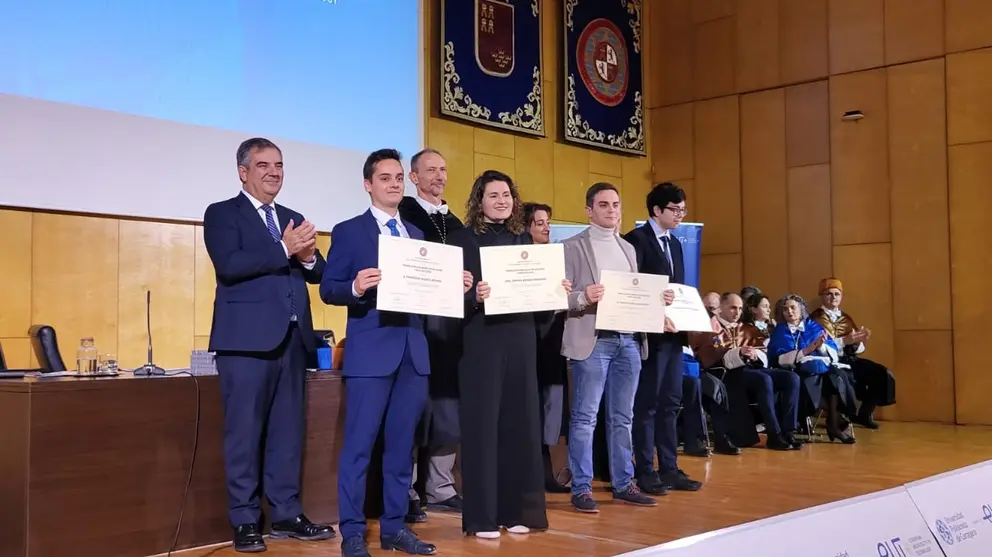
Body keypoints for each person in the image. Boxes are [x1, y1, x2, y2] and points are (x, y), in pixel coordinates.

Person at [321, 149, 468, 557]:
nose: (394, 184)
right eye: (385, 178)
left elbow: (429, 297)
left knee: (403, 448)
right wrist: (356, 286)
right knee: (359, 447)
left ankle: (394, 528)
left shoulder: (417, 236)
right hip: (371, 353)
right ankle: (352, 531)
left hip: (413, 354)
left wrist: (452, 285)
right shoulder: (349, 231)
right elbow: (329, 287)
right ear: (368, 184)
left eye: (399, 177)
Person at [203, 137, 333, 552]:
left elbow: (317, 273)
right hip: (244, 344)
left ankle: (287, 513)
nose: (273, 172)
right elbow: (231, 265)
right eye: (263, 165)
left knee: (287, 433)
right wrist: (284, 248)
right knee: (243, 434)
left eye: (278, 165)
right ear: (243, 172)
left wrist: (310, 257)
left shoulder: (292, 217)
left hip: (292, 341)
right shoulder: (223, 214)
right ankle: (244, 520)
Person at [447, 170, 570, 538]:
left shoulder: (524, 241)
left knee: (520, 426)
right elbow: (448, 301)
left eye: (506, 195)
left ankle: (517, 511)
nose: (501, 201)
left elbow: (540, 308)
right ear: (478, 201)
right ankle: (483, 518)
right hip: (481, 341)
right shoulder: (460, 241)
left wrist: (555, 292)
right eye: (493, 195)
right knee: (483, 427)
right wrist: (474, 297)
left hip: (520, 341)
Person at [561, 183, 656, 513]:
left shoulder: (628, 248)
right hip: (594, 340)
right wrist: (584, 297)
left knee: (622, 418)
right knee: (585, 417)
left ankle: (623, 483)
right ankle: (582, 487)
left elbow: (634, 294)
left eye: (616, 204)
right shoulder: (571, 247)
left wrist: (658, 301)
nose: (611, 210)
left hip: (628, 340)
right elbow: (558, 298)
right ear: (589, 210)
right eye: (603, 204)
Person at [623, 182, 703, 495]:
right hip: (648, 335)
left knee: (671, 402)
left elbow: (678, 290)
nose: (680, 215)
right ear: (657, 210)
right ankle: (645, 469)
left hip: (673, 335)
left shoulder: (677, 244)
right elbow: (633, 287)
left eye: (683, 210)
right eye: (675, 209)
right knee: (647, 405)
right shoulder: (636, 241)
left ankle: (669, 467)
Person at [398, 148, 465, 519]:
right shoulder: (405, 216)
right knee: (412, 407)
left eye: (443, 169)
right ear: (414, 177)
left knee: (447, 406)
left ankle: (440, 487)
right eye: (430, 170)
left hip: (451, 328)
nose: (439, 176)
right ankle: (406, 488)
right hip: (417, 324)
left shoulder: (455, 222)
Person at [767, 294, 859, 444]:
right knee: (814, 381)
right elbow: (777, 358)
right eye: (785, 309)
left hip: (821, 367)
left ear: (801, 309)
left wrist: (821, 346)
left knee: (836, 376)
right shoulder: (780, 331)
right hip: (796, 370)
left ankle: (834, 423)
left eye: (793, 307)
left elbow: (831, 349)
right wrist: (804, 352)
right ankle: (836, 422)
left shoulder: (813, 326)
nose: (789, 312)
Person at [523, 201, 570, 493]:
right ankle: (530, 477)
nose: (546, 228)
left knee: (548, 412)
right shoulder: (518, 261)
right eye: (539, 223)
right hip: (528, 343)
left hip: (552, 345)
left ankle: (545, 475)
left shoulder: (558, 259)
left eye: (548, 223)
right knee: (529, 412)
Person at [809, 277, 896, 429]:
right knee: (845, 378)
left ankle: (865, 412)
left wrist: (858, 343)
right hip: (828, 361)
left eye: (837, 294)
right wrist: (845, 341)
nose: (833, 297)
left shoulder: (846, 318)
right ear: (822, 297)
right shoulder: (814, 319)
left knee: (882, 373)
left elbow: (857, 346)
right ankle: (840, 415)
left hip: (849, 358)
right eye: (829, 294)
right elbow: (817, 345)